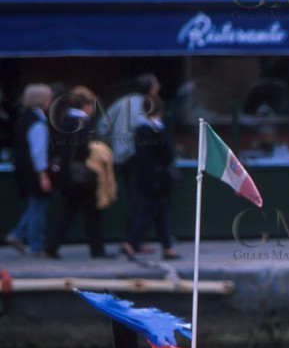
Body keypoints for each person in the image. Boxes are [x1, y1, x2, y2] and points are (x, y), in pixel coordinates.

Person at [43, 86, 110, 259]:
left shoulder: (66, 119)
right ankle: (97, 249)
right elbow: (81, 149)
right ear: (86, 105)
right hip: (82, 176)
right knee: (92, 214)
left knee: (68, 212)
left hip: (69, 175)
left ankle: (52, 245)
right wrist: (95, 150)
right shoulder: (81, 122)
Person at [121, 93, 178, 260]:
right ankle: (131, 242)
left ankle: (167, 246)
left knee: (159, 212)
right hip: (156, 179)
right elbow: (168, 154)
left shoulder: (141, 130)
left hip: (145, 178)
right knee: (150, 213)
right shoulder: (156, 131)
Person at [6, 85, 53, 257]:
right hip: (33, 170)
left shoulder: (25, 117)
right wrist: (43, 174)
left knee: (36, 205)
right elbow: (38, 150)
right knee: (38, 206)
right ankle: (36, 246)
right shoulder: (36, 120)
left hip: (25, 168)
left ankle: (18, 234)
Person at [100, 73, 160, 169]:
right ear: (150, 88)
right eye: (156, 85)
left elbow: (103, 125)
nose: (158, 87)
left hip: (120, 155)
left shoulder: (123, 101)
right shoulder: (146, 104)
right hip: (136, 157)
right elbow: (144, 129)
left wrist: (110, 143)